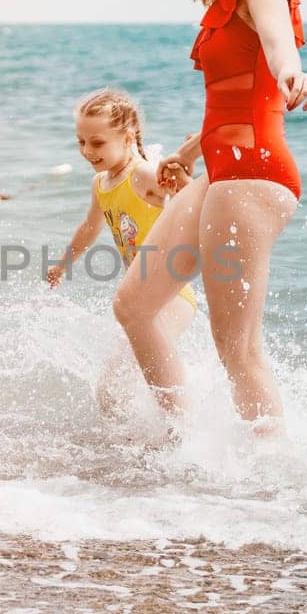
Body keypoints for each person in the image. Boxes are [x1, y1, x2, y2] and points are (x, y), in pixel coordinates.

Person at [112, 0, 307, 437]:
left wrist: (294, 76)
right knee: (134, 307)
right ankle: (181, 441)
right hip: (219, 174)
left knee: (239, 350)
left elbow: (280, 51)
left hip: (254, 177)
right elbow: (229, 100)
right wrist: (187, 151)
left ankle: (271, 478)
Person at [48, 89, 196, 416]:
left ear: (128, 138)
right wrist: (63, 264)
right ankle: (138, 449)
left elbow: (187, 197)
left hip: (172, 297)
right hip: (144, 299)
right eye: (81, 141)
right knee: (111, 391)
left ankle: (184, 437)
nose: (87, 151)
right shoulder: (101, 183)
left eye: (97, 143)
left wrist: (185, 177)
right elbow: (89, 227)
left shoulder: (142, 175)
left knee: (126, 382)